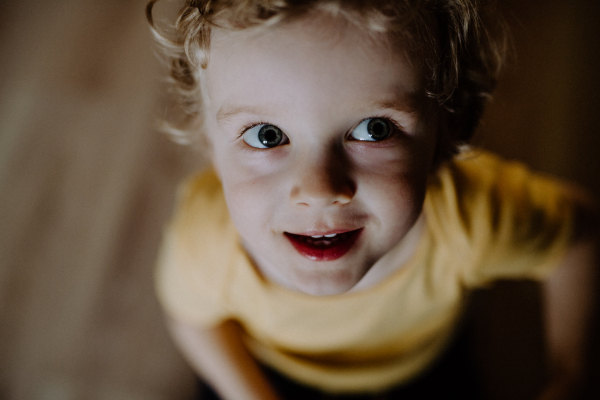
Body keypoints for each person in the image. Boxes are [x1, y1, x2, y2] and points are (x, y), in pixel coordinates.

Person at [146, 1, 598, 399]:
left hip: (421, 365)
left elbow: (578, 234)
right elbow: (194, 318)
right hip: (271, 371)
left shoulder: (470, 217)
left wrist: (572, 372)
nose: (320, 189)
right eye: (267, 136)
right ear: (208, 139)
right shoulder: (205, 239)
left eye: (374, 129)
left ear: (449, 129)